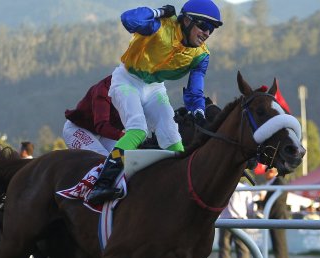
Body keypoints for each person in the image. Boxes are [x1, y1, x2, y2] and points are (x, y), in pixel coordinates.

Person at [87, 0, 223, 205]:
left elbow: (195, 90)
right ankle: (101, 184)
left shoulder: (201, 55)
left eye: (212, 29)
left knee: (173, 138)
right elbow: (128, 19)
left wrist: (199, 113)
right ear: (186, 20)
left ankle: (175, 186)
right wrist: (157, 12)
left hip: (154, 87)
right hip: (126, 80)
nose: (207, 33)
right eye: (204, 26)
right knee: (138, 130)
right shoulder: (160, 26)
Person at [63, 75, 124, 155]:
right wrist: (126, 136)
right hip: (78, 128)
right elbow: (102, 126)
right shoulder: (104, 89)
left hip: (105, 135)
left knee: (122, 157)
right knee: (101, 157)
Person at [218, 182, 254, 258]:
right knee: (242, 248)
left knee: (224, 247)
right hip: (240, 220)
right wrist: (250, 215)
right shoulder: (245, 188)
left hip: (225, 220)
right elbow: (250, 207)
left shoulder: (225, 184)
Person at [259, 167, 290, 258]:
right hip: (276, 217)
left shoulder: (279, 181)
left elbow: (276, 202)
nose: (264, 175)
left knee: (280, 247)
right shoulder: (275, 182)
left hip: (278, 218)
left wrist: (263, 202)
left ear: (271, 172)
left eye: (265, 173)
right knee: (279, 247)